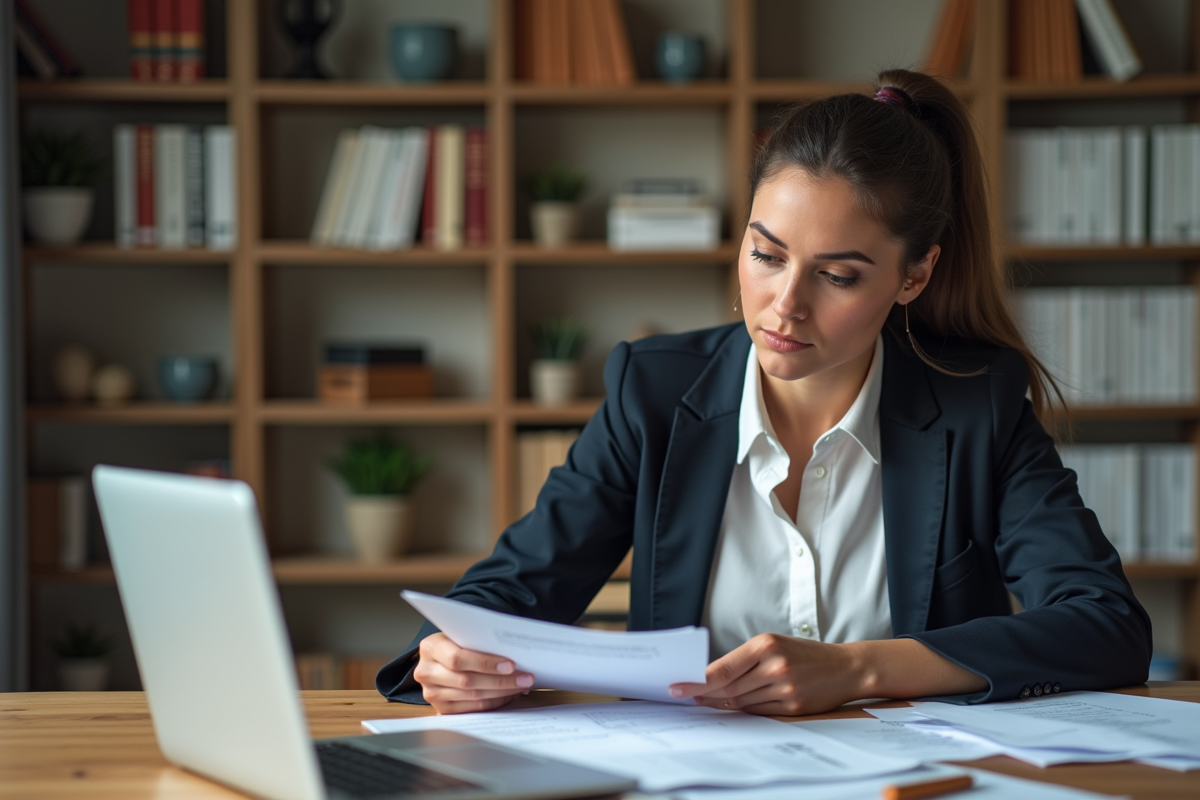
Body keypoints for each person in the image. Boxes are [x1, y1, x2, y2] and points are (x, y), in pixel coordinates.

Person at [376, 68, 1152, 716]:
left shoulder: (976, 405)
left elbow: (1106, 626)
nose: (785, 304)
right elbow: (518, 586)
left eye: (838, 275)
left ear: (913, 276)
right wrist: (448, 658)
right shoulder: (653, 391)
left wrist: (859, 669)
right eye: (766, 254)